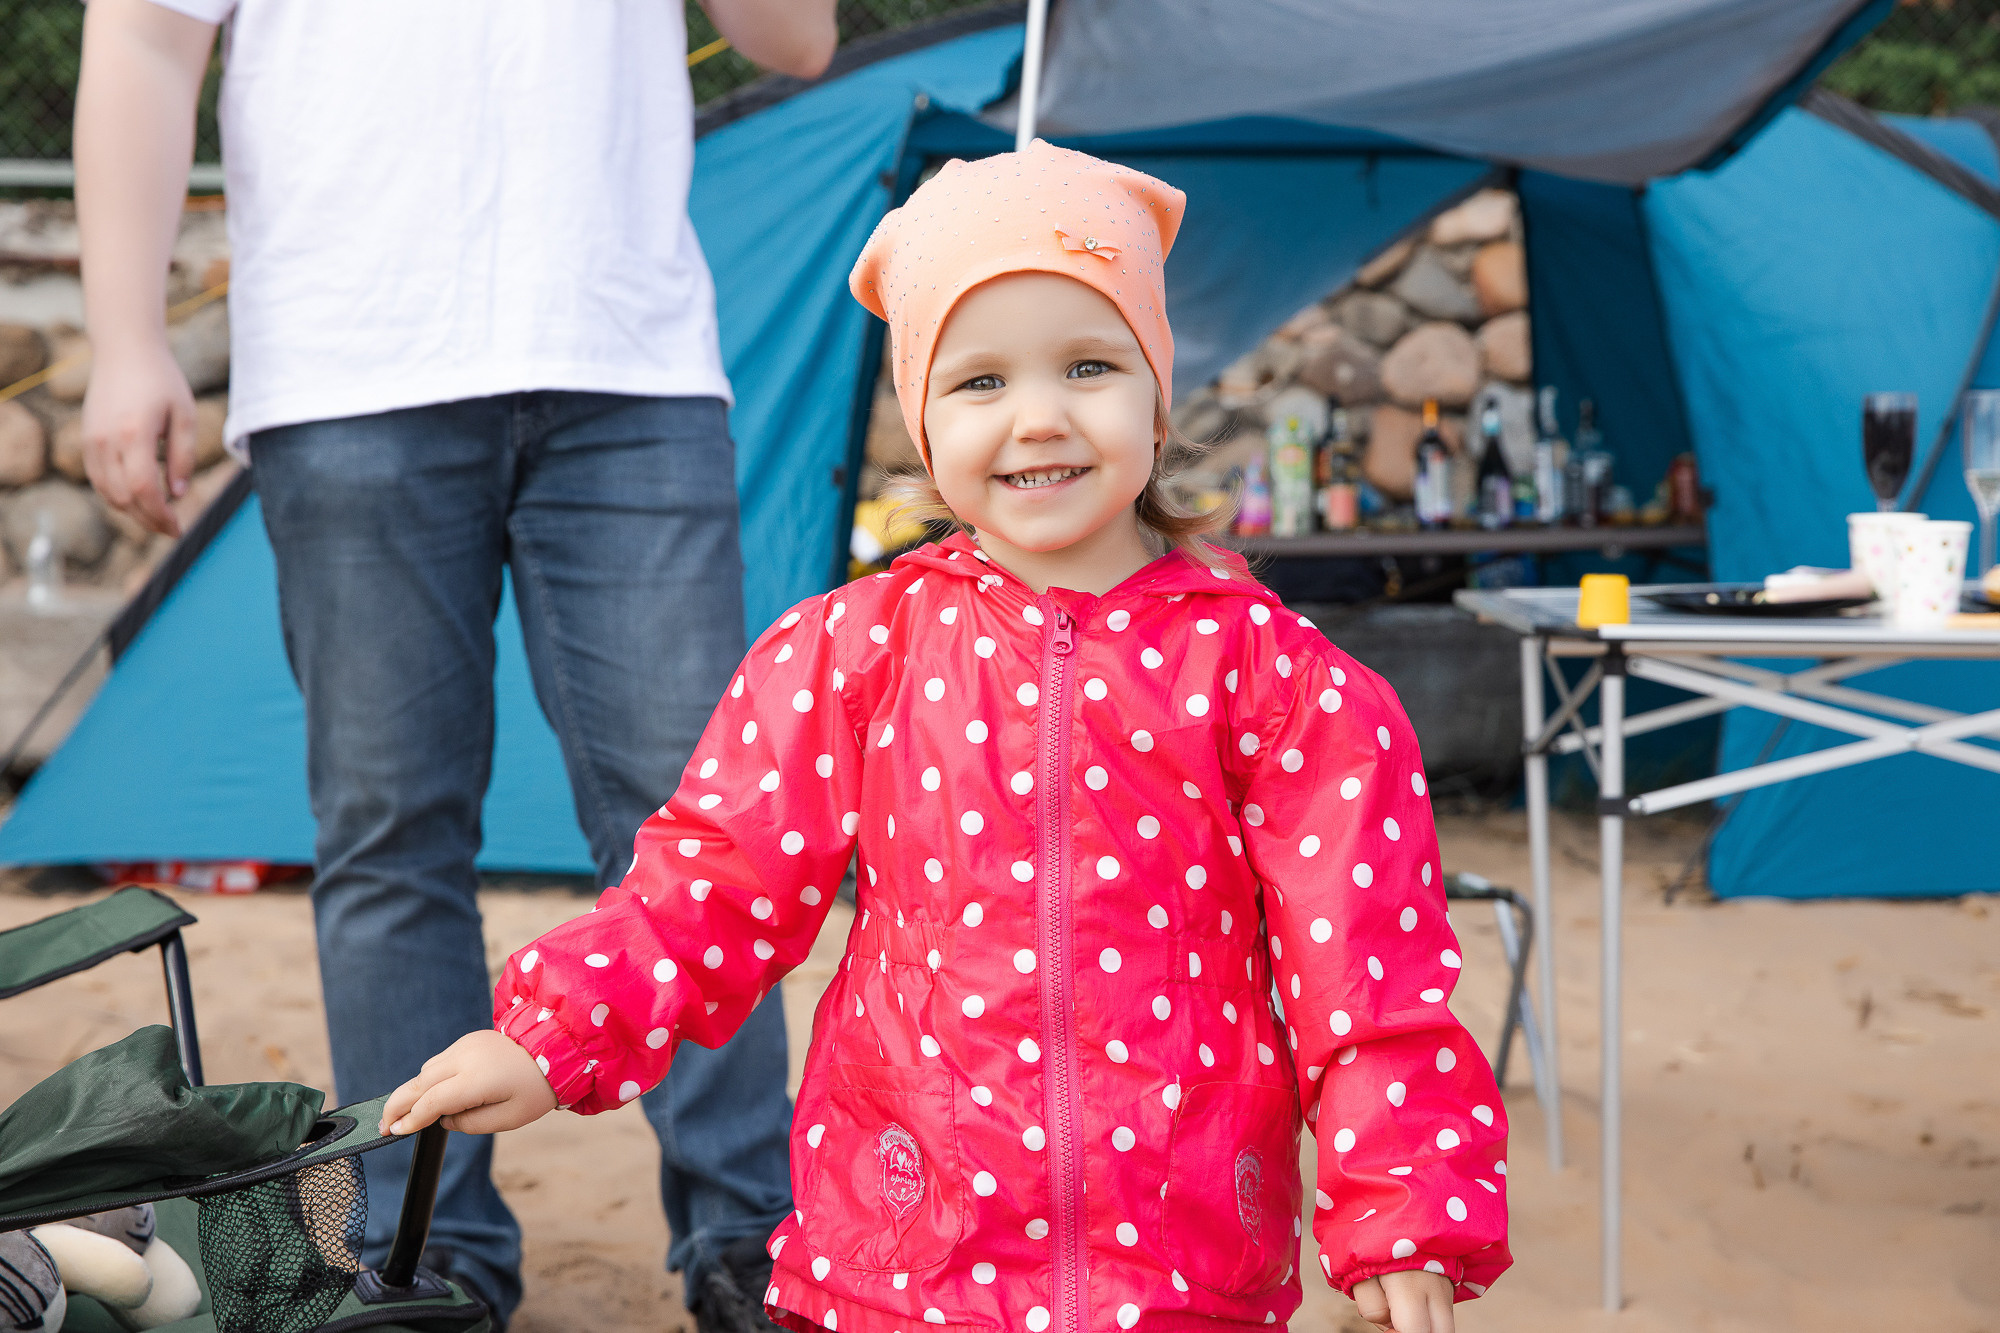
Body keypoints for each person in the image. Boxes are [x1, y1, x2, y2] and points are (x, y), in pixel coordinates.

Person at [380, 143, 1513, 1333]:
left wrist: (1405, 1211)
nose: (1037, 417)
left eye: (1087, 364)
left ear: (1155, 388)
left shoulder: (1279, 683)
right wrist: (557, 1031)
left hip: (1183, 1273)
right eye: (978, 381)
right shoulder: (850, 654)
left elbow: (1369, 980)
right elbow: (711, 884)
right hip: (902, 1262)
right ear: (921, 418)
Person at [71, 2, 837, 1329]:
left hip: (629, 360)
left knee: (701, 832)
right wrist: (127, 337)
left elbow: (799, 40)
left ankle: (750, 1240)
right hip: (346, 360)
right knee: (388, 832)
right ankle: (425, 1251)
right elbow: (141, 35)